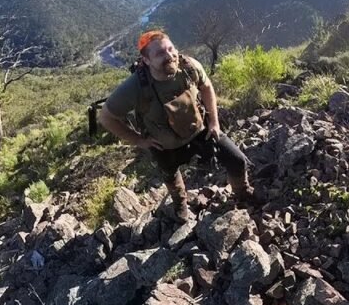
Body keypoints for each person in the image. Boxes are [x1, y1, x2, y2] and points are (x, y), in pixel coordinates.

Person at [98, 30, 259, 222]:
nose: (169, 56)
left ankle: (242, 192)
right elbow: (106, 117)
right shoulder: (134, 88)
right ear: (146, 60)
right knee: (171, 177)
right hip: (165, 145)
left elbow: (207, 87)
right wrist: (139, 140)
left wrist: (214, 122)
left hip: (200, 131)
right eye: (160, 53)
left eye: (171, 49)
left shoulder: (189, 66)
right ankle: (180, 205)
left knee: (237, 160)